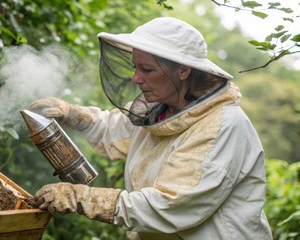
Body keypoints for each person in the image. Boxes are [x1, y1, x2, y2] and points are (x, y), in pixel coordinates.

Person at [29, 17, 273, 240]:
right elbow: (113, 131)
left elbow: (169, 205)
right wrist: (75, 115)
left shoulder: (222, 126)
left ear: (183, 70)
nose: (136, 78)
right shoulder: (160, 109)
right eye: (136, 67)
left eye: (146, 69)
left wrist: (82, 197)